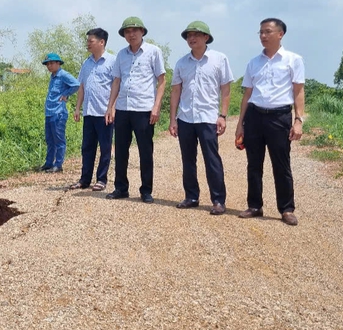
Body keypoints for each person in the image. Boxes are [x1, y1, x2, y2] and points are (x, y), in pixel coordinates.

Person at [235, 18, 306, 226]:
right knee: (253, 164)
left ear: (280, 34)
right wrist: (240, 123)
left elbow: (298, 91)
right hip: (255, 116)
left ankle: (286, 209)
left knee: (281, 164)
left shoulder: (293, 60)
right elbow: (247, 94)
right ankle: (255, 205)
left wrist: (298, 120)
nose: (263, 36)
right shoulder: (253, 63)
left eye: (267, 32)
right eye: (260, 33)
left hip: (279, 117)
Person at [169, 21, 233, 215]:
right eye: (189, 35)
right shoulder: (181, 63)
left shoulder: (219, 59)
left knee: (212, 159)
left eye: (196, 34)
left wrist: (222, 115)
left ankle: (218, 200)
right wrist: (173, 119)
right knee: (188, 160)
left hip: (208, 117)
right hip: (186, 117)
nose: (191, 38)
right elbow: (176, 91)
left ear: (206, 37)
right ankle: (191, 197)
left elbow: (226, 89)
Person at [104, 16, 166, 203]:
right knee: (121, 150)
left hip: (144, 108)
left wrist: (156, 107)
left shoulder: (153, 52)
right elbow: (116, 81)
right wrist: (110, 107)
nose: (131, 34)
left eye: (134, 31)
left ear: (142, 32)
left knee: (145, 151)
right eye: (127, 32)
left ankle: (146, 190)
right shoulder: (121, 55)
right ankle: (121, 188)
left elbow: (162, 81)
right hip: (123, 108)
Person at [69, 28, 116, 191]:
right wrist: (77, 108)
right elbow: (82, 86)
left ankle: (101, 179)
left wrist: (112, 108)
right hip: (89, 112)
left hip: (104, 113)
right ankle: (84, 179)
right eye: (88, 41)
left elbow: (117, 87)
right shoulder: (86, 63)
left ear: (101, 42)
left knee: (105, 147)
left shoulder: (112, 61)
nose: (88, 43)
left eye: (91, 41)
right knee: (87, 147)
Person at [40, 52, 80, 173]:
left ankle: (58, 164)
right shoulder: (53, 76)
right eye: (47, 64)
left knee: (58, 139)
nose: (49, 66)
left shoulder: (63, 75)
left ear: (58, 63)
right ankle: (48, 163)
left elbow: (76, 84)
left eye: (52, 63)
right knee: (50, 139)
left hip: (58, 112)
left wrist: (65, 95)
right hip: (49, 112)